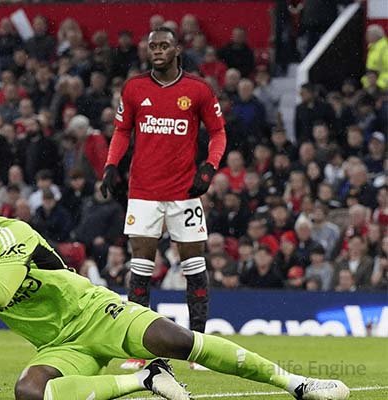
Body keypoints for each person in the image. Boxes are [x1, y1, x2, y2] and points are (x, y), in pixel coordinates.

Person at [0, 178, 349, 400]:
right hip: (60, 346)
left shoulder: (11, 234)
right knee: (28, 392)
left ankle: (297, 384)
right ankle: (144, 380)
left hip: (97, 312)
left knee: (177, 340)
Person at [100, 27, 227, 371]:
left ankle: (199, 350)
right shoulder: (134, 88)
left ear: (176, 50)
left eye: (163, 45)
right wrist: (111, 165)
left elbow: (218, 132)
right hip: (143, 193)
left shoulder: (198, 89)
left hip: (185, 193)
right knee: (140, 270)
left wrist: (209, 167)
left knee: (194, 268)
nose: (157, 50)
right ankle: (139, 350)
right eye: (152, 45)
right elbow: (122, 130)